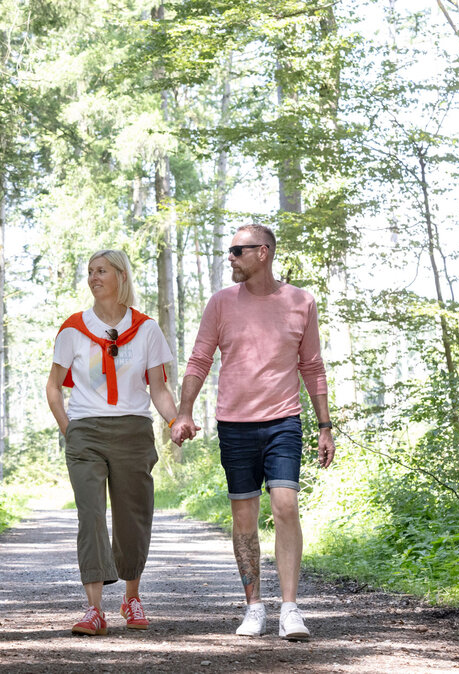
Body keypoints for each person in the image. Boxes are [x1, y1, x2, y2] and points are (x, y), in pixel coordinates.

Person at [171, 224, 335, 641]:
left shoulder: (301, 301)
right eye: (229, 252)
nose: (231, 258)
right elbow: (200, 358)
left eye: (237, 251)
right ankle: (254, 607)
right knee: (244, 517)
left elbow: (312, 365)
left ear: (263, 253)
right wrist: (183, 411)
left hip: (284, 422)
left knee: (285, 508)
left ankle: (291, 610)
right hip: (235, 425)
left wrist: (325, 426)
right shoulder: (221, 303)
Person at [45, 249, 179, 636]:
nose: (93, 278)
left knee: (132, 518)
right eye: (89, 272)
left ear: (121, 276)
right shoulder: (73, 328)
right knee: (90, 515)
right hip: (85, 432)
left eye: (101, 271)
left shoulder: (147, 329)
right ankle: (93, 609)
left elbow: (159, 387)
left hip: (133, 431)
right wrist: (68, 427)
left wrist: (174, 420)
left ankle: (131, 597)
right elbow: (54, 387)